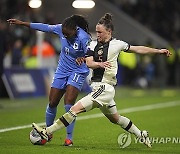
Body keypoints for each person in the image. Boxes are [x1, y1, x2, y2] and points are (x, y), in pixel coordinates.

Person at [32, 13, 171, 147]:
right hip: (98, 88)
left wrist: (158, 51)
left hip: (105, 88)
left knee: (74, 109)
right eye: (96, 32)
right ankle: (141, 134)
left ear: (109, 31)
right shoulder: (92, 45)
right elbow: (89, 62)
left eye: (100, 32)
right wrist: (97, 64)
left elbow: (137, 49)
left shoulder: (118, 44)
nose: (97, 35)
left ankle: (46, 132)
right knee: (116, 119)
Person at [7, 15, 91, 146]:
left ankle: (69, 138)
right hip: (62, 70)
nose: (65, 36)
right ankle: (48, 131)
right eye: (64, 34)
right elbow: (44, 27)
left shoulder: (84, 37)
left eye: (68, 34)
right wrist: (23, 23)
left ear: (75, 30)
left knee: (69, 104)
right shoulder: (61, 28)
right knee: (52, 102)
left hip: (78, 71)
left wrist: (84, 58)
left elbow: (92, 53)